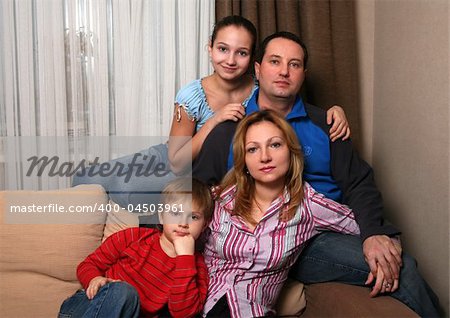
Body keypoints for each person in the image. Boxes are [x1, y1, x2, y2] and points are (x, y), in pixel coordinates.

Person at [193, 31, 441, 316]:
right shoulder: (229, 128)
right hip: (260, 240)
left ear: (303, 74)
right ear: (258, 70)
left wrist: (375, 232)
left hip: (318, 234)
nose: (284, 71)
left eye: (294, 64)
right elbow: (196, 190)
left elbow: (359, 183)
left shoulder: (328, 124)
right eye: (275, 61)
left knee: (402, 267)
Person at [72, 15, 350, 210]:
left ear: (253, 62)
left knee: (129, 192)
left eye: (241, 53)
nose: (230, 60)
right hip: (177, 154)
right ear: (210, 49)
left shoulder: (259, 84)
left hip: (202, 167)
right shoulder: (190, 96)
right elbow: (176, 159)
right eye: (222, 49)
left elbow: (285, 98)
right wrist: (214, 119)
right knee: (91, 177)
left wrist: (334, 110)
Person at [202, 110, 360, 317]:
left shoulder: (309, 205)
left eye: (275, 145)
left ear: (291, 151)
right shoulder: (219, 199)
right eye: (252, 149)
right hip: (197, 305)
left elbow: (362, 225)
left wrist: (381, 238)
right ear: (245, 161)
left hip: (251, 311)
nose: (265, 157)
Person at [58, 178, 214, 318]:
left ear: (204, 224)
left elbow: (183, 313)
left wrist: (185, 259)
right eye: (175, 213)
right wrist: (94, 278)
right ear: (161, 216)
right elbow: (88, 265)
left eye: (193, 217)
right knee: (124, 292)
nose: (183, 223)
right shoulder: (133, 237)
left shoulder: (197, 267)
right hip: (85, 307)